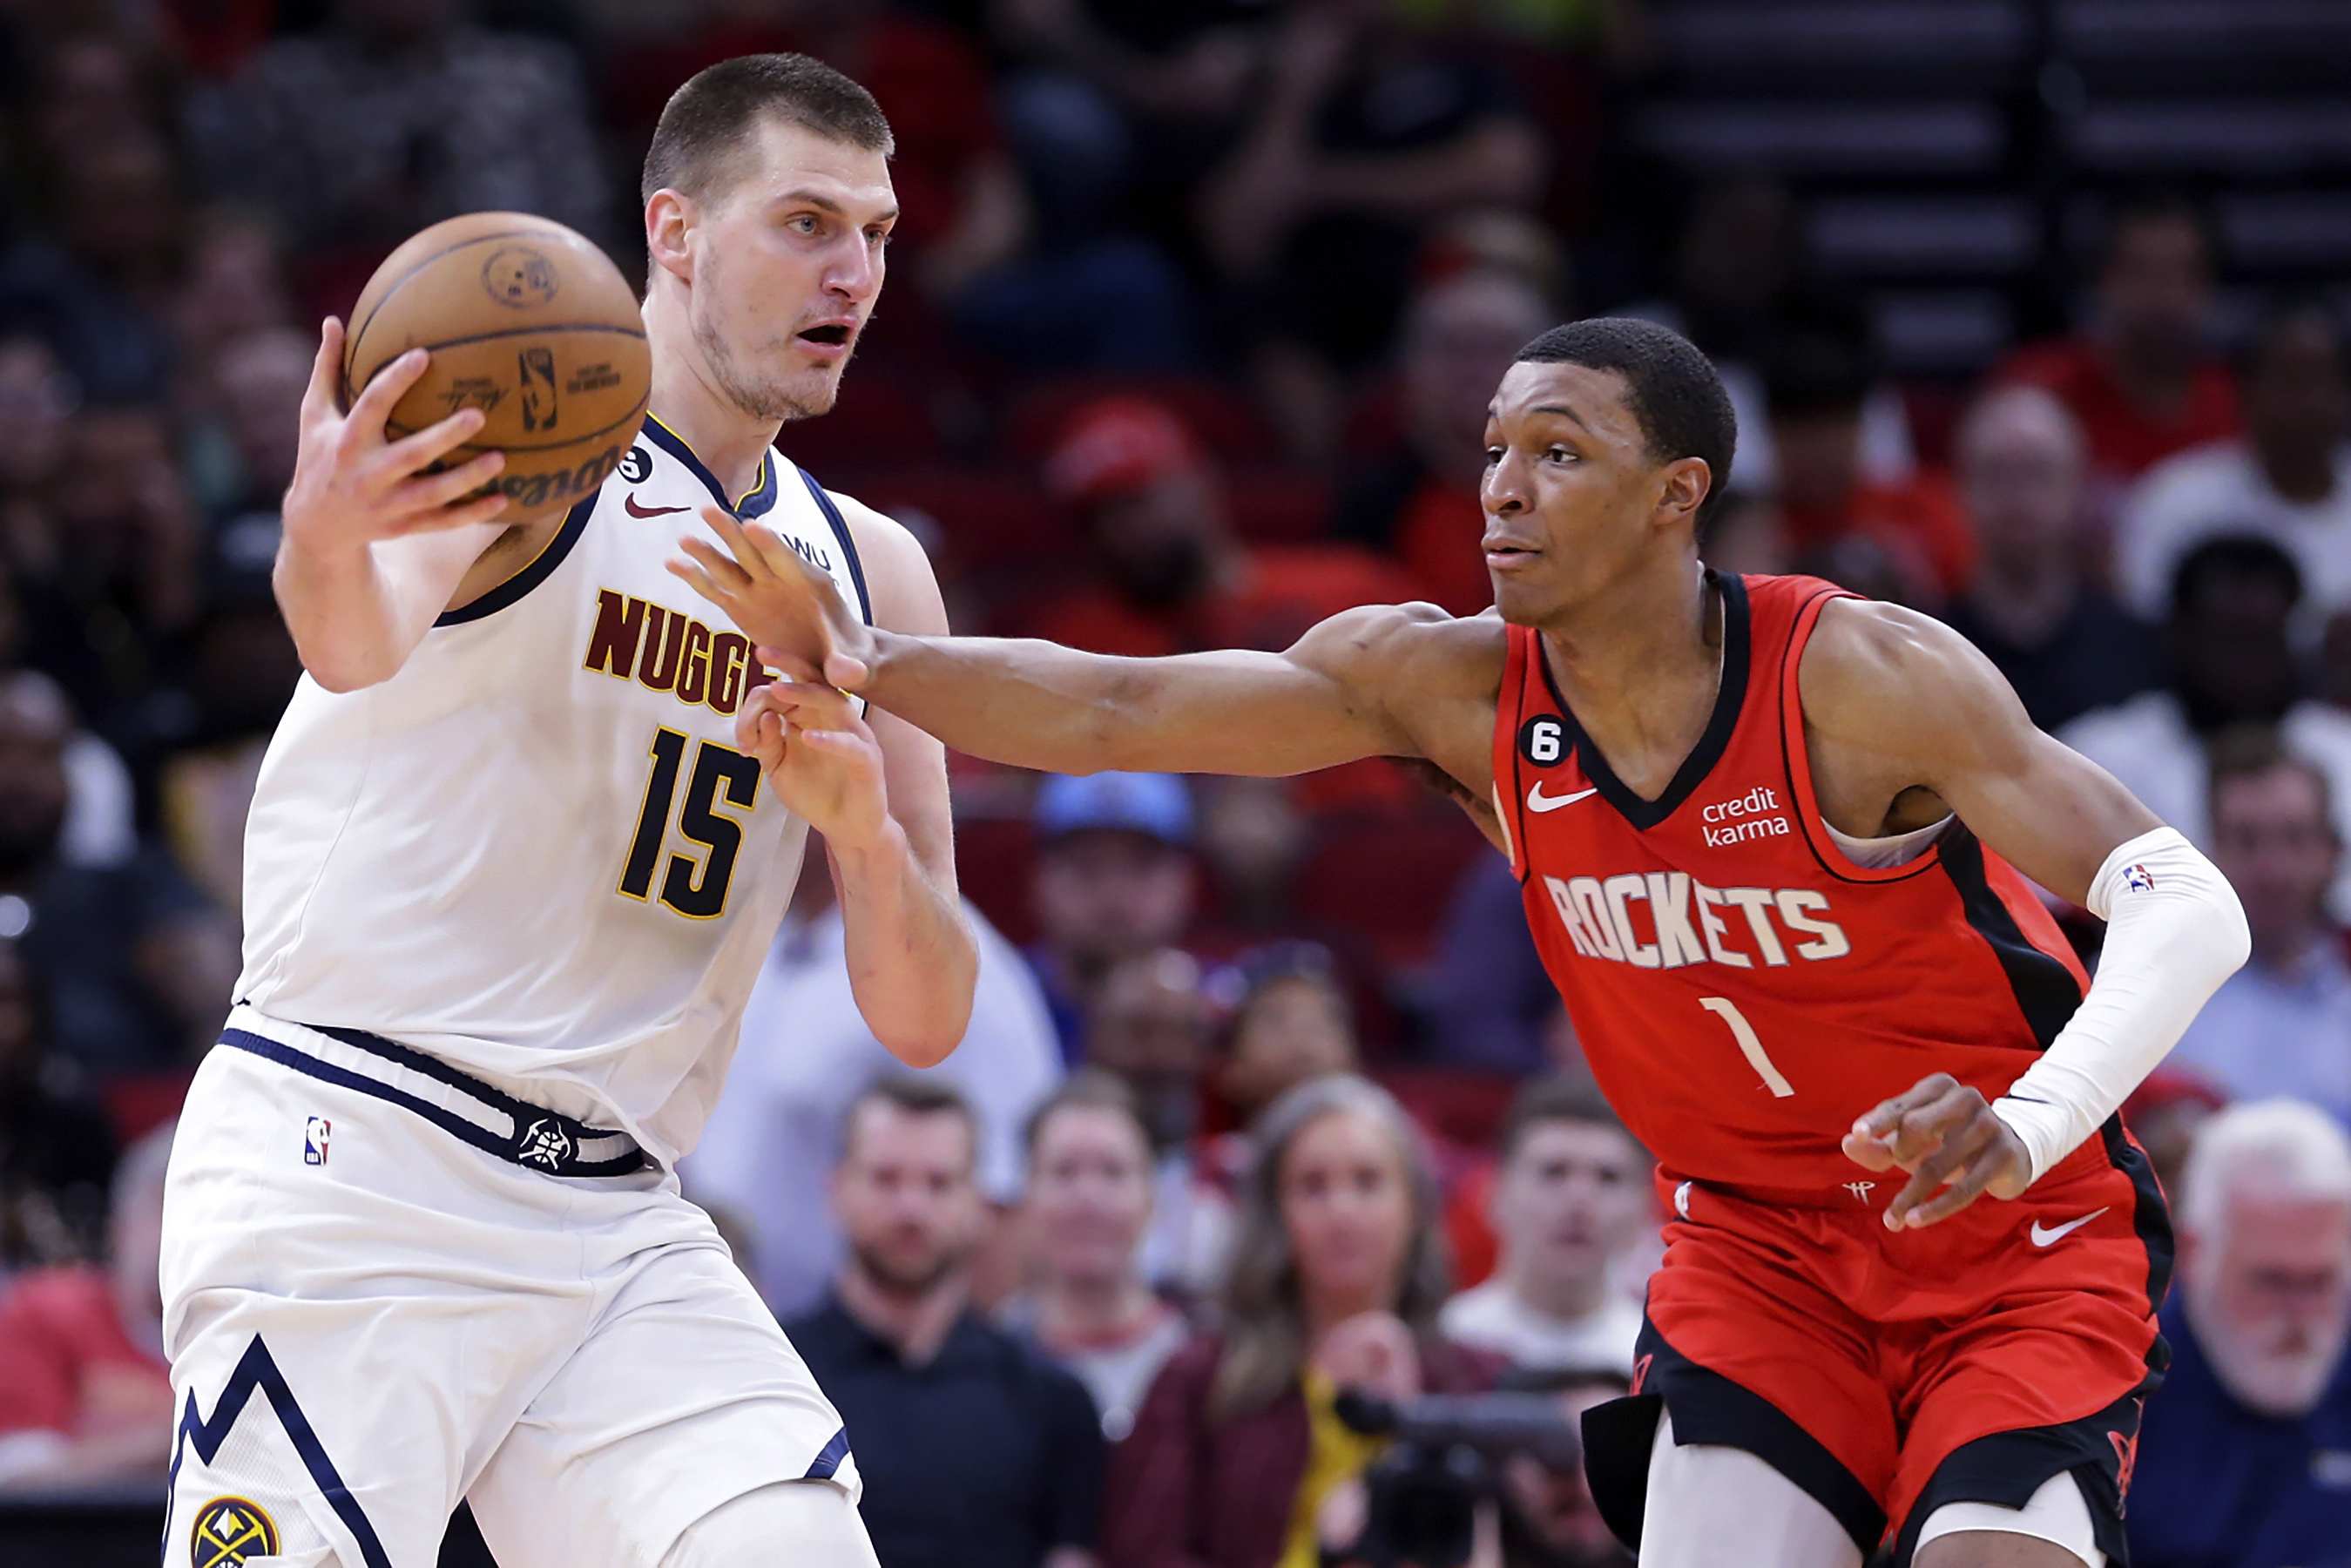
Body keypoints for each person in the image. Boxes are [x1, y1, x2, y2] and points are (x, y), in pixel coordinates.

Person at [682, 312, 2254, 1567]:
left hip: (2007, 1241)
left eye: (1557, 452)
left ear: (1675, 495)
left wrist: (2028, 1117)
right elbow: (1118, 708)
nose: (1501, 484)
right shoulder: (1449, 688)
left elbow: (2187, 899)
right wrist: (867, 657)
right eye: (1494, 446)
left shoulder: (1852, 677)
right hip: (1758, 1252)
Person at [162, 55, 980, 1568]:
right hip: (360, 1150)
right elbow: (347, 639)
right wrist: (322, 536)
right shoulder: (524, 442)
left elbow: (925, 1019)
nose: (853, 274)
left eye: (875, 234)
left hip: (613, 1215)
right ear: (675, 232)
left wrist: (860, 835)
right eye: (805, 223)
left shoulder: (869, 569)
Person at [1100, 1074, 1492, 1568]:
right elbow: (1142, 1553)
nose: (1341, 1211)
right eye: (1312, 1186)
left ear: (1414, 1207)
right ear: (1274, 1213)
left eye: (1368, 1182)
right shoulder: (1197, 1381)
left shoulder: (1477, 1382)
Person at [687, 848, 1064, 1317]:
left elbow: (1003, 1196)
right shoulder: (746, 930)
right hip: (720, 1317)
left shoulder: (943, 950)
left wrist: (948, 1350)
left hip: (869, 1335)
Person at [786, 1078, 1105, 1568]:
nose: (911, 1208)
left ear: (979, 1203)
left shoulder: (1051, 1400)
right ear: (837, 1189)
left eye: (939, 1183)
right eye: (885, 1179)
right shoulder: (774, 1380)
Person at [2061, 535, 2351, 920]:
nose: (2243, 663)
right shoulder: (2096, 757)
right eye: (2226, 638)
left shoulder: (2342, 751)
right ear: (2179, 634)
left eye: (2259, 639)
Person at [1020, 395, 1418, 659]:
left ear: (1200, 480)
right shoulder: (1075, 644)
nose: (1121, 531)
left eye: (1137, 501)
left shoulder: (1354, 592)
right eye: (1097, 516)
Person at [2126, 1099, 2351, 1568]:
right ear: (2192, 1253)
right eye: (2271, 1281)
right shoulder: (2118, 1394)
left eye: (2321, 1281)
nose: (2299, 1314)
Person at [1939, 387, 2158, 732]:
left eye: (2038, 473)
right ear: (1961, 488)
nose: (2017, 495)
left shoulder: (2135, 649)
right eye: (1996, 473)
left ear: (2078, 486)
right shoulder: (1931, 646)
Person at [1997, 194, 2240, 504]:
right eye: (2143, 273)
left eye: (2183, 274)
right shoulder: (2038, 393)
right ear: (2105, 281)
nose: (2165, 296)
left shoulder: (2236, 411)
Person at [2118, 301, 2351, 621]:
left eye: (2323, 382)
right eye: (2290, 382)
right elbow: (2145, 621)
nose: (2308, 403)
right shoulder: (2176, 496)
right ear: (2244, 391)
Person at [2162, 733, 2351, 1125]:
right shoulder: (2146, 983)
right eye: (2246, 841)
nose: (2273, 870)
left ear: (2332, 852)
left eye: (2294, 839)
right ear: (2208, 851)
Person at [998, 1071, 1189, 1441]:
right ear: (1027, 1196)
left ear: (1151, 1196)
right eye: (1064, 1171)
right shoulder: (986, 1362)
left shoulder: (1202, 1362)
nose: (1088, 1198)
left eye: (1113, 1172)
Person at [0, 1122, 175, 1490]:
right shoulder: (43, 1314)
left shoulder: (265, 1332)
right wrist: (175, 1439)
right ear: (117, 1230)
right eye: (167, 1210)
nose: (180, 1237)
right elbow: (15, 1471)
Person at [1439, 1078, 1649, 1377]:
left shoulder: (1660, 1366)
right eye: (1554, 1171)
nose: (1580, 1199)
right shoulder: (1442, 1348)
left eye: (1607, 1177)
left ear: (1643, 1208)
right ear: (1494, 1195)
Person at [1086, 947, 1235, 1300]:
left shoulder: (1236, 1172)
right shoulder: (1056, 1166)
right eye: (1139, 1031)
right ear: (1097, 1038)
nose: (1162, 1054)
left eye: (1182, 1032)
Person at [1026, 770, 1198, 1060]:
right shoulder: (997, 993)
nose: (1114, 896)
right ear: (1040, 880)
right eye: (1087, 868)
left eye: (1141, 868)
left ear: (1185, 882)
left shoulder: (1227, 1010)